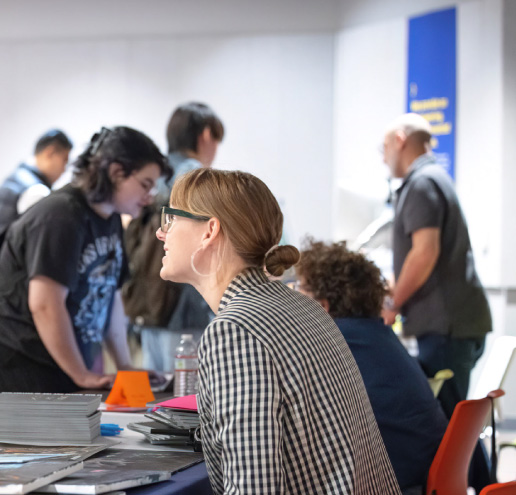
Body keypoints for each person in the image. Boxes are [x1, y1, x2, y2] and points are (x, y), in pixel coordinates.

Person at [157, 168, 399, 493]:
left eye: (170, 219)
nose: (162, 234)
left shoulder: (235, 330)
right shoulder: (301, 306)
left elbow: (254, 488)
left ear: (209, 231)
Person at [0, 126, 171, 418]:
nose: (149, 196)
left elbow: (110, 296)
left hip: (60, 360)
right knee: (29, 456)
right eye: (145, 184)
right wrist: (81, 375)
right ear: (117, 172)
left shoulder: (111, 218)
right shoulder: (60, 214)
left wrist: (125, 368)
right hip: (19, 357)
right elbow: (44, 303)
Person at [295, 239, 447, 493]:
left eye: (300, 288)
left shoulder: (332, 344)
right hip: (417, 473)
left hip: (388, 481)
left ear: (321, 306)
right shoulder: (381, 337)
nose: (293, 296)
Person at [380, 113, 491, 417]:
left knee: (443, 425)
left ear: (400, 140)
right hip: (454, 324)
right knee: (451, 422)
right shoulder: (436, 179)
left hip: (445, 328)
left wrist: (392, 304)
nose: (383, 158)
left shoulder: (421, 183)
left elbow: (424, 253)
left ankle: (471, 469)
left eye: (384, 147)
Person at [123, 102, 224, 372]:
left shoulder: (153, 174)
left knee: (156, 397)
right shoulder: (195, 176)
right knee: (185, 397)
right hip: (184, 310)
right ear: (205, 135)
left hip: (147, 304)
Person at [0, 129, 72, 234]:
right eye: (64, 160)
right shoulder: (36, 191)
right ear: (49, 153)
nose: (64, 169)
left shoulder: (18, 177)